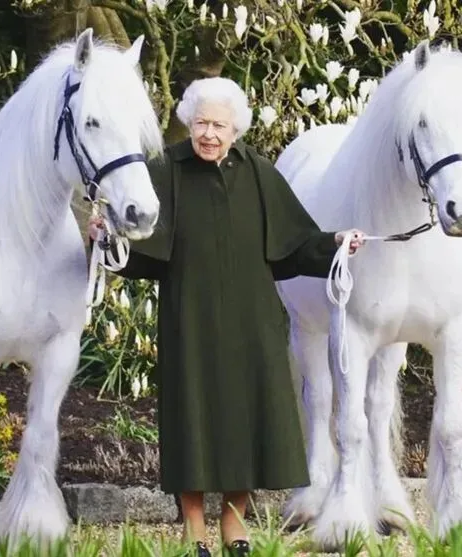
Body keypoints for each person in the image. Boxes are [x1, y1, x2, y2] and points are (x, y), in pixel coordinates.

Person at [88, 77, 365, 557]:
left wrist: (337, 243)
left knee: (247, 421)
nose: (209, 134)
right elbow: (142, 252)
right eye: (200, 123)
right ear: (187, 124)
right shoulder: (166, 170)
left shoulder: (258, 171)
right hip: (188, 320)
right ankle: (194, 530)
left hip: (251, 321)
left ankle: (234, 525)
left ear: (236, 128)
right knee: (190, 420)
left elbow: (294, 246)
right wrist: (105, 239)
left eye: (218, 124)